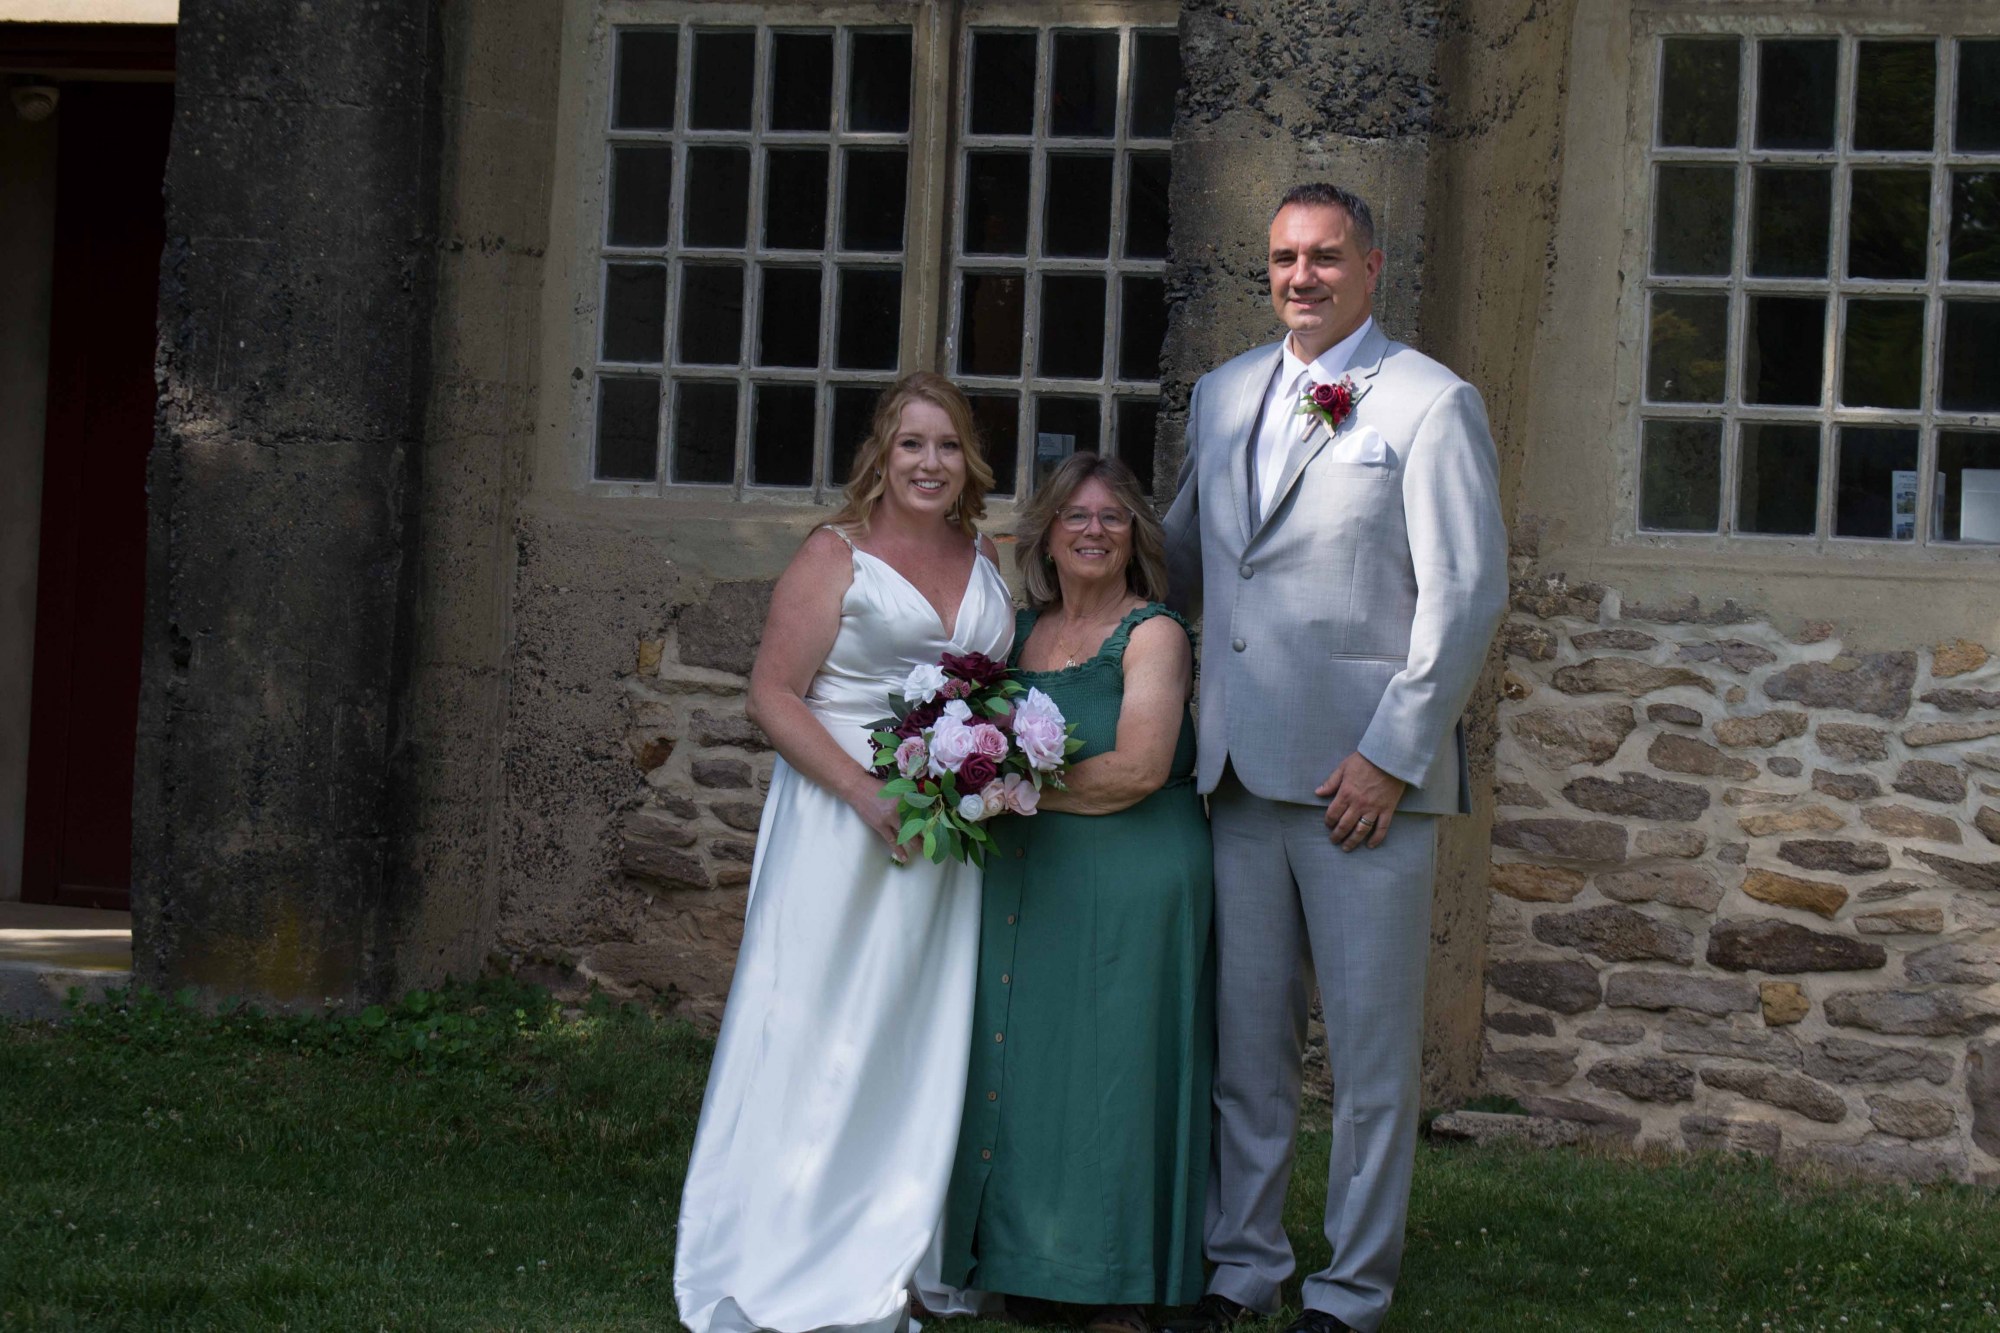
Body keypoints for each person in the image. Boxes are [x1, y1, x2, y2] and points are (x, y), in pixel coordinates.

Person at [1162, 183, 1508, 1333]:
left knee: (1366, 1062)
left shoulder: (1428, 402)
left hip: (1362, 788)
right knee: (1244, 1052)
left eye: (1322, 256)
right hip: (1235, 776)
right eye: (1281, 258)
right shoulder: (1219, 395)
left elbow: (1464, 596)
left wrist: (1389, 756)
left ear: (1369, 266)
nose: (1298, 277)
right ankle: (1240, 1265)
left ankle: (1349, 1290)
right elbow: (1186, 559)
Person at [674, 372, 1015, 1333]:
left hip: (943, 833)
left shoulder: (986, 554)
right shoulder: (837, 554)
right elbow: (773, 694)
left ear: (968, 460)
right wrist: (866, 793)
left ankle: (902, 1237)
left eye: (946, 445)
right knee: (819, 1018)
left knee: (920, 1025)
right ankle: (788, 1235)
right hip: (841, 820)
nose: (929, 463)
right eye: (911, 444)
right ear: (881, 454)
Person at [928, 452, 1214, 1333]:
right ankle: (1028, 1261)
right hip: (1031, 874)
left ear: (1136, 536)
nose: (1094, 531)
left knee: (1116, 1071)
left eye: (1113, 517)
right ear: (1046, 534)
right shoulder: (1016, 633)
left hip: (1134, 874)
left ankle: (1120, 1282)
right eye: (1075, 516)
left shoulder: (1154, 633)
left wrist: (1002, 787)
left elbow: (1138, 767)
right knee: (1026, 1063)